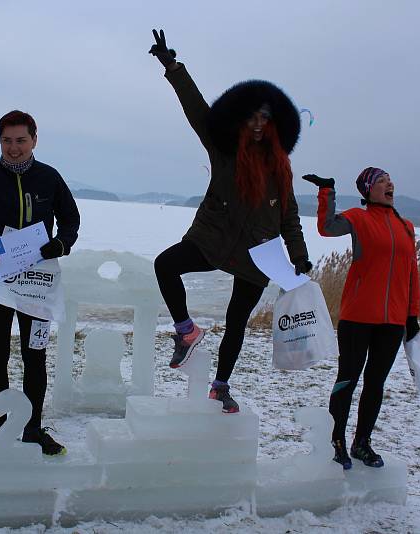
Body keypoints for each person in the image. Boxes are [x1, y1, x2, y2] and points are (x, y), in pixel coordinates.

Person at [149, 29, 312, 414]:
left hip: (259, 252)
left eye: (265, 118)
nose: (258, 124)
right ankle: (187, 332)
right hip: (215, 238)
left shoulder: (280, 170)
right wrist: (174, 68)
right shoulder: (223, 151)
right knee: (164, 265)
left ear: (273, 124)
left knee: (236, 322)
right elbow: (197, 109)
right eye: (251, 117)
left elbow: (289, 219)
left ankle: (220, 387)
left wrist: (299, 258)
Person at [0, 110, 80, 455]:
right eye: (7, 141)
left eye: (21, 140)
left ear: (34, 140)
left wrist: (61, 244)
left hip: (38, 284)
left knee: (34, 354)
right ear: (0, 142)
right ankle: (0, 426)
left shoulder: (49, 178)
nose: (14, 148)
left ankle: (34, 429)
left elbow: (70, 219)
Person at [303, 168, 420, 469]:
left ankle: (362, 443)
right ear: (368, 190)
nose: (389, 184)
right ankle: (338, 440)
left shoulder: (406, 227)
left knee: (375, 383)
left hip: (392, 321)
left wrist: (412, 315)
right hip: (358, 317)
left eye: (390, 180)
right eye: (381, 181)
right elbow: (327, 227)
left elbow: (412, 275)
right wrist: (327, 192)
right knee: (348, 379)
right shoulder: (359, 218)